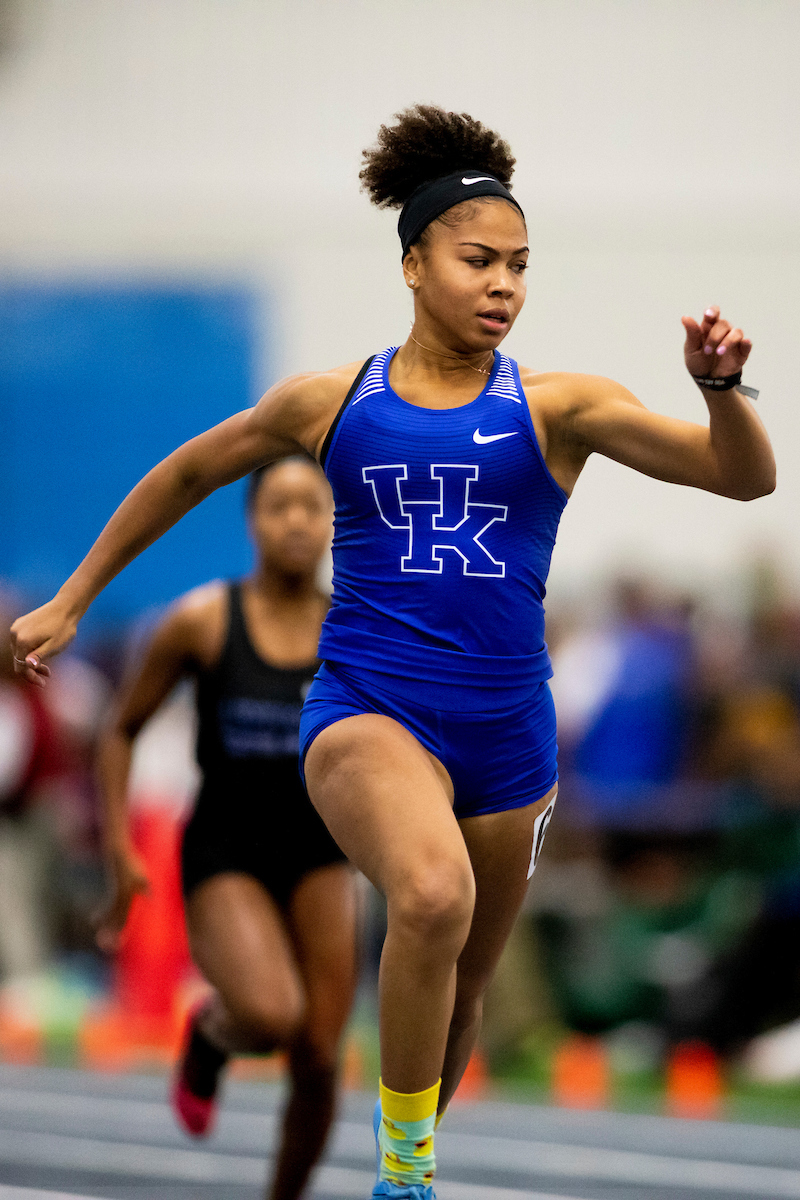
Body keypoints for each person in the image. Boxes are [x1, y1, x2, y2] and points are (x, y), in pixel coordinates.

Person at [11, 105, 775, 1199]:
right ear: (413, 262)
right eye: (477, 260)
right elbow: (187, 471)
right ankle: (404, 1178)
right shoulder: (335, 404)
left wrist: (719, 387)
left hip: (508, 734)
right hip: (369, 712)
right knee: (428, 893)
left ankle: (408, 1145)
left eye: (519, 265)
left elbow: (741, 477)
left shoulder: (559, 408)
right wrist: (75, 599)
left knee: (461, 987)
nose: (503, 285)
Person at [93, 458, 359, 1200]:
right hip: (227, 847)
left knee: (317, 1055)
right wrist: (119, 851)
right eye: (280, 507)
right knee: (272, 1015)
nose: (299, 521)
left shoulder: (356, 626)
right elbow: (119, 731)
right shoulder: (202, 622)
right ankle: (210, 1037)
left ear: (334, 521)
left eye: (314, 506)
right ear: (253, 523)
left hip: (321, 849)